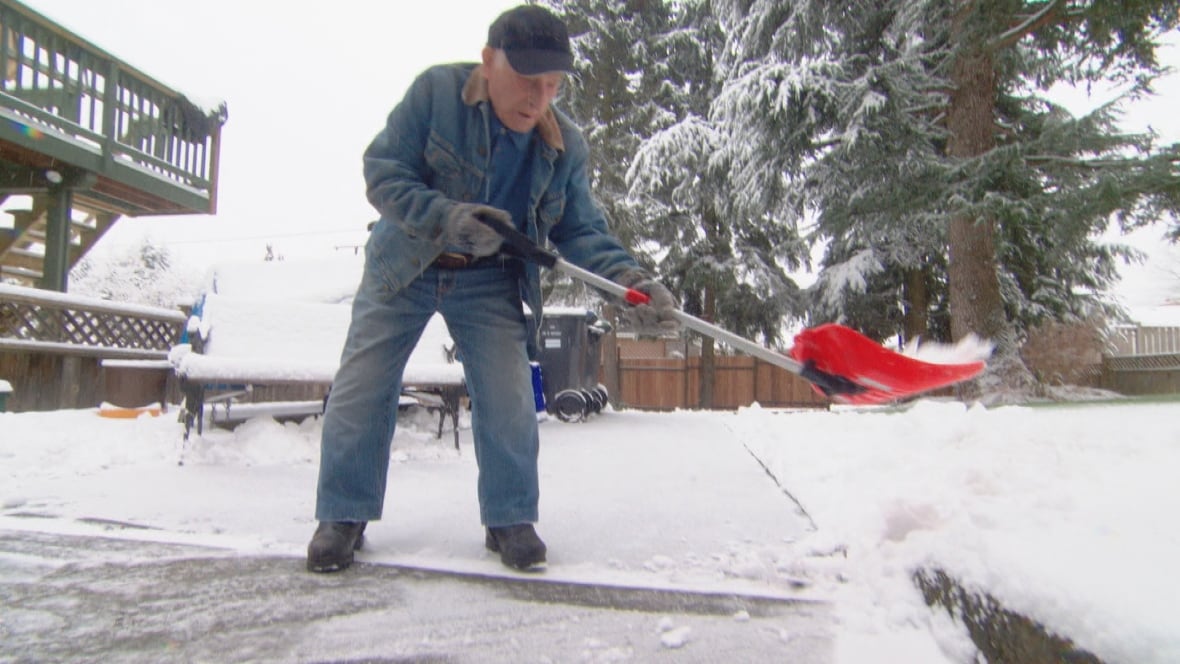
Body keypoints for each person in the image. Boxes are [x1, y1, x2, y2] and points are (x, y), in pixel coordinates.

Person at [307, 4, 678, 573]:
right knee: (363, 385)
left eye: (552, 85)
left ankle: (509, 519)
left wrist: (630, 281)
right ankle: (342, 515)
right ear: (488, 62)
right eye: (528, 80)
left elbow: (581, 230)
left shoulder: (563, 147)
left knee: (508, 396)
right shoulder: (435, 94)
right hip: (406, 264)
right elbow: (383, 171)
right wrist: (445, 217)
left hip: (489, 282)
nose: (538, 97)